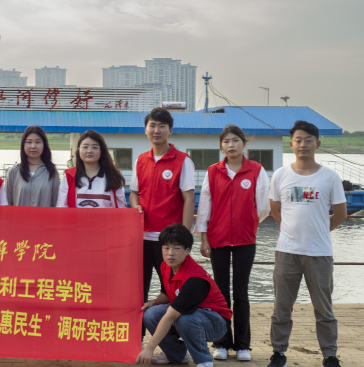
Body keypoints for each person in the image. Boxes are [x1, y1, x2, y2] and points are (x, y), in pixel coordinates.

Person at [267, 121, 347, 367]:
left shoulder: (330, 177)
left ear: (317, 144)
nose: (303, 144)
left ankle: (330, 355)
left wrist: (318, 231)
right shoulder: (281, 175)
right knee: (282, 307)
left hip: (319, 253)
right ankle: (278, 352)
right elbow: (275, 209)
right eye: (298, 140)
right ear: (291, 144)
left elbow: (340, 214)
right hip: (286, 251)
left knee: (324, 308)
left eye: (309, 140)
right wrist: (291, 231)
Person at [194, 125, 270, 362]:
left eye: (235, 140)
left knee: (241, 292)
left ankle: (243, 345)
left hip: (245, 240)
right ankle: (221, 342)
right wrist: (204, 237)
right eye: (226, 141)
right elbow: (204, 206)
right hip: (217, 239)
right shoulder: (213, 171)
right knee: (221, 292)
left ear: (244, 143)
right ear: (221, 145)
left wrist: (248, 223)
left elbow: (263, 207)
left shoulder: (256, 170)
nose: (231, 145)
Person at [136, 224, 231, 367]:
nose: (170, 253)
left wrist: (149, 348)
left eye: (176, 248)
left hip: (216, 323)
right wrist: (153, 302)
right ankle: (176, 355)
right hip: (191, 313)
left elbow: (170, 316)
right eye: (166, 248)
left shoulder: (195, 279)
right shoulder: (166, 266)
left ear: (187, 250)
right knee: (151, 314)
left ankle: (204, 361)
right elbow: (167, 294)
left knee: (185, 318)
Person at [129, 107, 195, 309]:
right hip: (141, 237)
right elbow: (134, 193)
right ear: (145, 130)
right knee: (137, 289)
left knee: (172, 288)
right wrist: (136, 206)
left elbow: (189, 198)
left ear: (170, 130)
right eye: (152, 126)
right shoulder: (141, 160)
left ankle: (172, 329)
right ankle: (138, 329)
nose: (156, 130)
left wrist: (183, 236)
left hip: (167, 239)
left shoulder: (183, 160)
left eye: (162, 126)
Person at [56, 129, 126, 208]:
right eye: (85, 147)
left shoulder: (114, 177)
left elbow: (121, 209)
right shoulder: (69, 176)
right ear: (78, 149)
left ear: (102, 150)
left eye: (95, 147)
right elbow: (62, 207)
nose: (89, 151)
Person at [5, 125, 60, 207]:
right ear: (23, 145)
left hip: (44, 216)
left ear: (44, 145)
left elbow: (57, 204)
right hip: (19, 216)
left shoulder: (52, 172)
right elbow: (7, 203)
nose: (33, 146)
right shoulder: (14, 171)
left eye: (38, 142)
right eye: (29, 142)